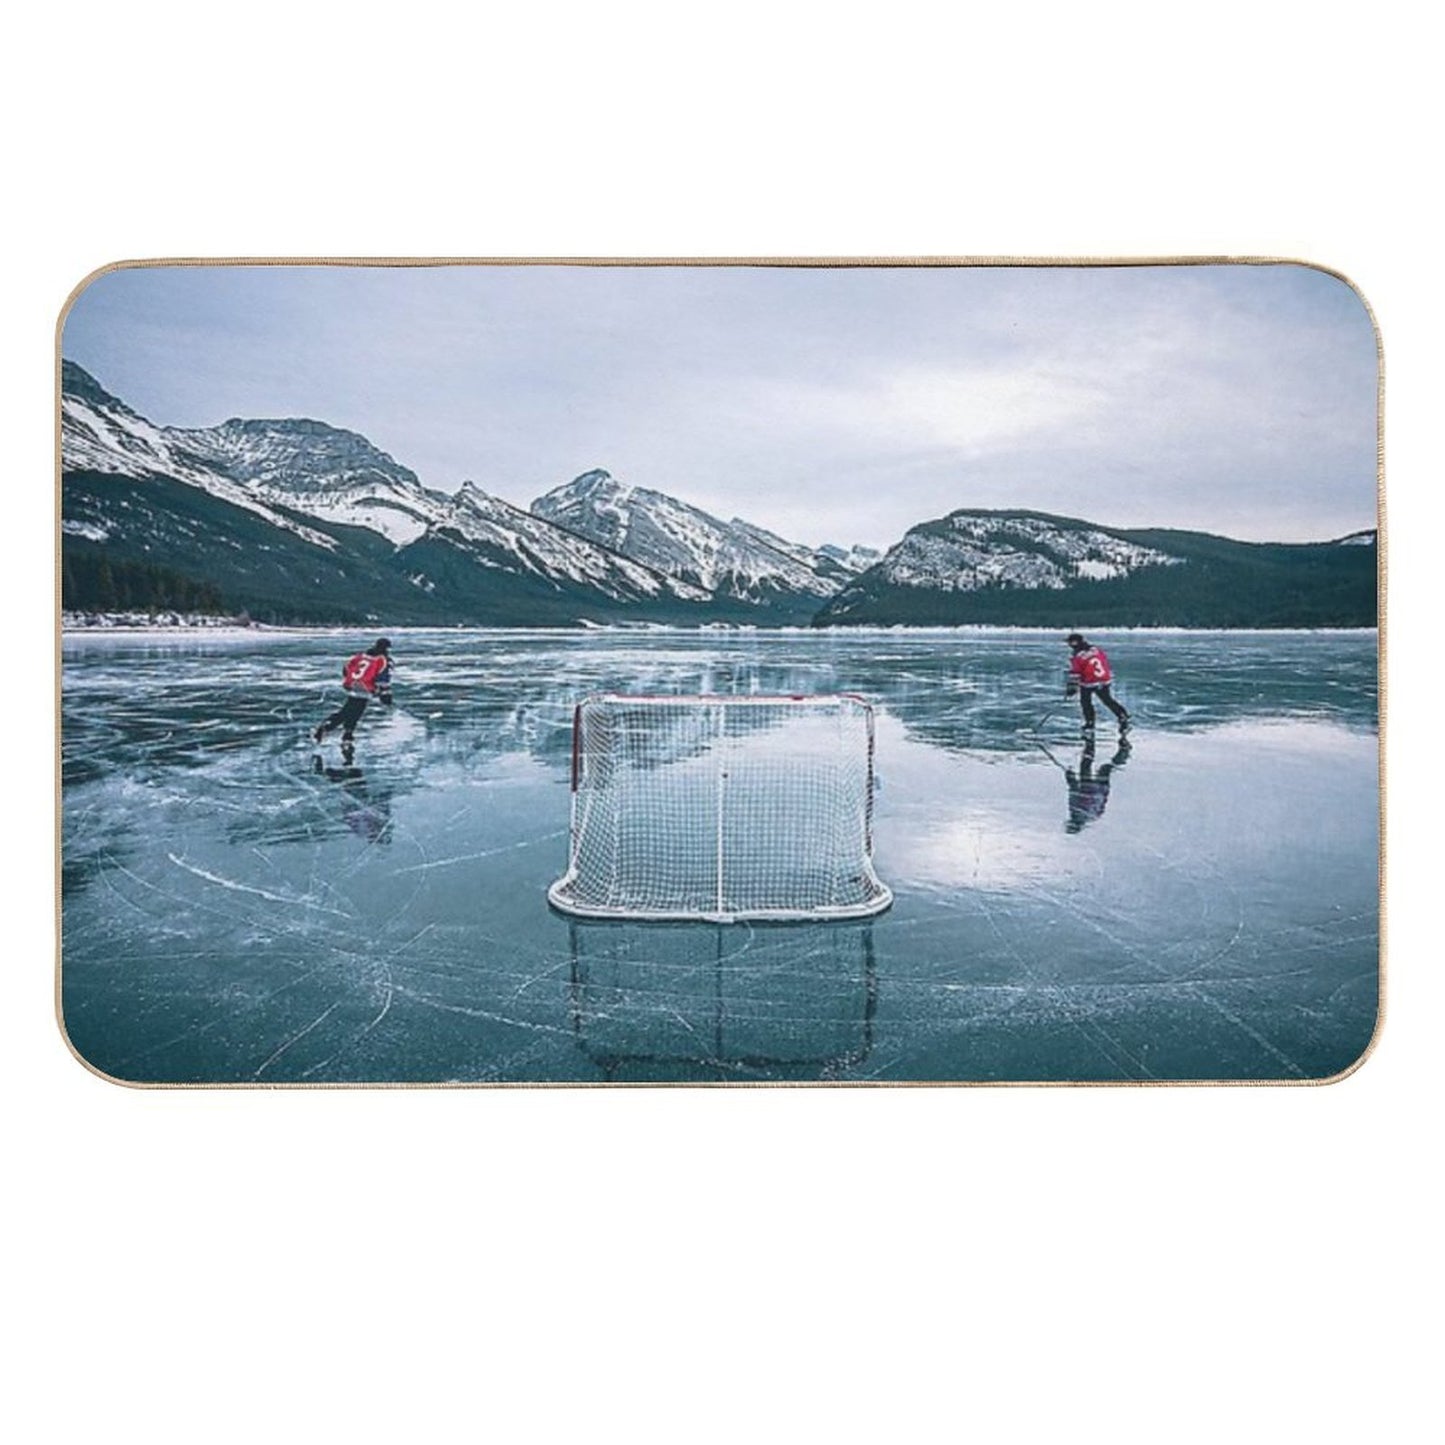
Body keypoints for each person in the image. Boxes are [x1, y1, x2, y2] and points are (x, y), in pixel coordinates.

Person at [313, 637, 394, 756]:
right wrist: (385, 694)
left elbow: (346, 668)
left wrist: (352, 680)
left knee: (350, 709)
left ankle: (340, 731)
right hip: (365, 688)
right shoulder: (383, 660)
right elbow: (383, 678)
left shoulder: (361, 656)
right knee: (352, 711)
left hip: (353, 685)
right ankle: (336, 731)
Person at [1063, 632, 1130, 737]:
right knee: (1107, 700)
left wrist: (1072, 687)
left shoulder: (1077, 656)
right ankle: (1122, 715)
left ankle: (1090, 723)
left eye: (1070, 643)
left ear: (1075, 643)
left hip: (1089, 681)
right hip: (1104, 679)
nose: (1069, 645)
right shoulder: (1096, 649)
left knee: (1086, 702)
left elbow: (1076, 673)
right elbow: (1103, 661)